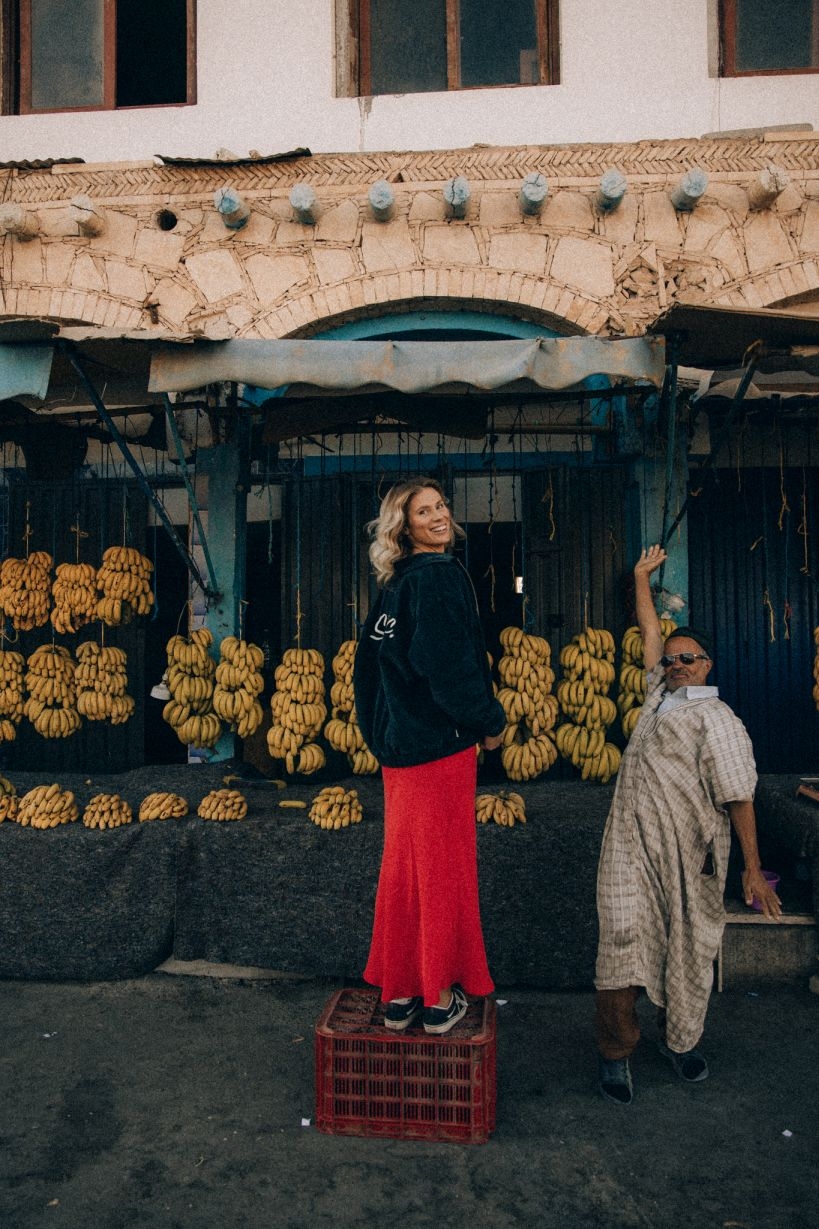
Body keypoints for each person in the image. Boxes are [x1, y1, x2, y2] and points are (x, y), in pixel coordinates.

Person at [595, 543, 782, 1104]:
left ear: (708, 666)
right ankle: (615, 1051)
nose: (675, 664)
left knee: (685, 948)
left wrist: (752, 869)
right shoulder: (658, 698)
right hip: (628, 846)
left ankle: (678, 1041)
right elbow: (652, 634)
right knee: (619, 938)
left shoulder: (717, 720)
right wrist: (640, 581)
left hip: (687, 856)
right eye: (672, 659)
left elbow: (739, 797)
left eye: (689, 659)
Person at [353, 477, 506, 1035]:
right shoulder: (439, 577)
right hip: (439, 750)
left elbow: (366, 671)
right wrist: (489, 722)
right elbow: (449, 665)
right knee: (441, 870)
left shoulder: (395, 587)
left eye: (441, 505)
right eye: (424, 511)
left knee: (404, 870)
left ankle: (400, 997)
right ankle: (439, 998)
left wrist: (382, 736)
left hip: (401, 753)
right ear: (405, 525)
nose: (439, 515)